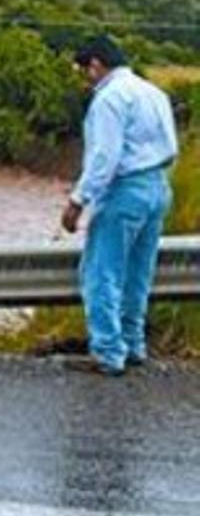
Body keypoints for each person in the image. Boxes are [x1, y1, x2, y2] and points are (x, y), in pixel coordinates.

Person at [60, 35, 178, 377]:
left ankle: (108, 353)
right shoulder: (152, 92)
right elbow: (170, 145)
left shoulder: (110, 98)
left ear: (96, 64)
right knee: (138, 274)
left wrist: (77, 201)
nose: (85, 77)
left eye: (84, 70)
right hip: (157, 186)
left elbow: (104, 158)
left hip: (125, 190)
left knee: (102, 272)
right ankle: (133, 344)